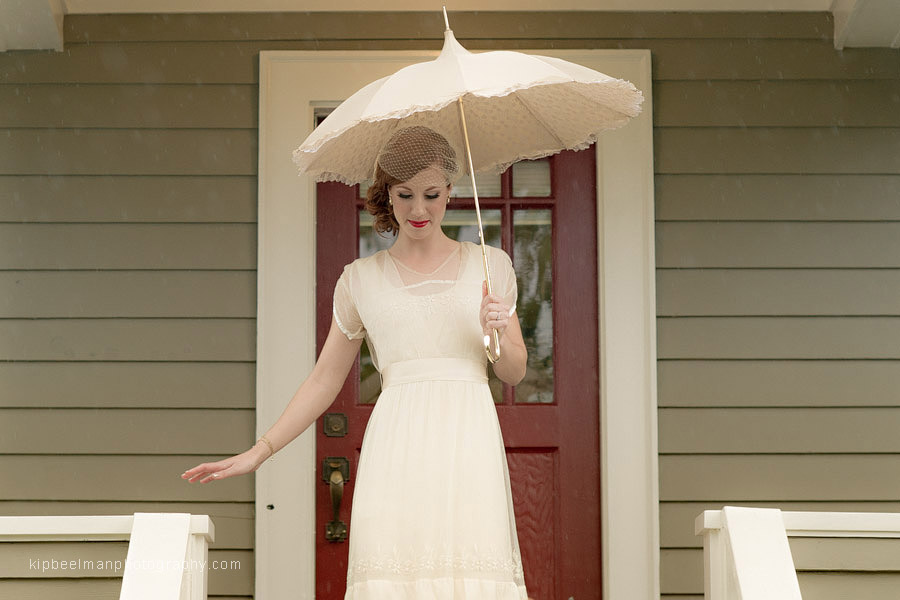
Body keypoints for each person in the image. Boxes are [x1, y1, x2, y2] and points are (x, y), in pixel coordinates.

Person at [181, 125, 530, 599]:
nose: (419, 209)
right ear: (387, 194)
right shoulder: (359, 280)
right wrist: (260, 451)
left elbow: (513, 371)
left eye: (431, 194)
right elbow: (324, 379)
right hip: (396, 447)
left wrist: (500, 325)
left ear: (450, 190)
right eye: (404, 195)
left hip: (468, 442)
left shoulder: (491, 266)